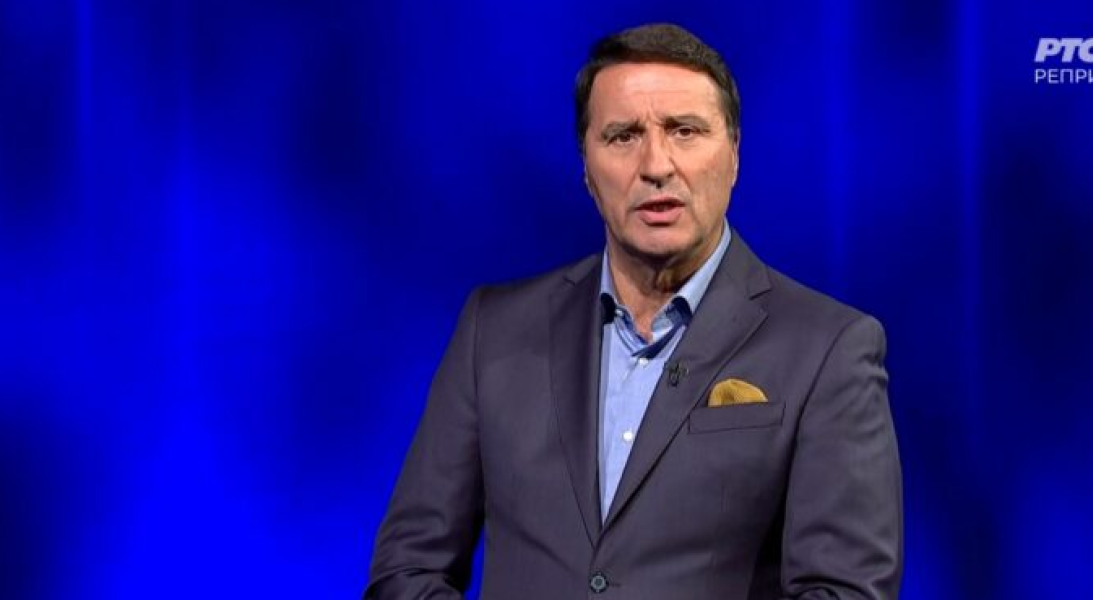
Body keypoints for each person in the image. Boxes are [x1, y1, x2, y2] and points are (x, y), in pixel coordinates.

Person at [365, 22, 902, 600]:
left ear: (734, 155)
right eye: (623, 136)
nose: (656, 165)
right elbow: (407, 572)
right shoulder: (492, 331)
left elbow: (845, 591)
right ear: (586, 167)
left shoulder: (828, 349)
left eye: (684, 131)